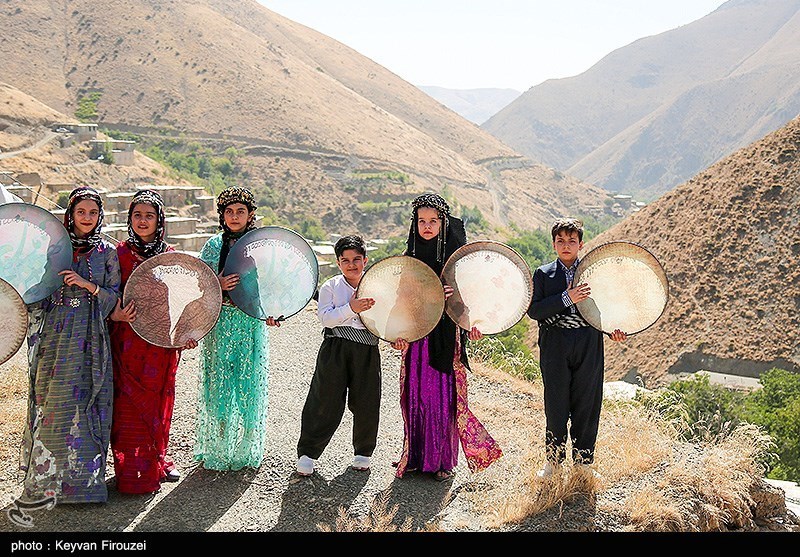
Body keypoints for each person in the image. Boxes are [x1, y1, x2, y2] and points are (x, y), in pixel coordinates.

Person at [20, 186, 121, 504]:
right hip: (55, 336)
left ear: (100, 215)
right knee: (52, 402)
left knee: (87, 405)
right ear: (71, 214)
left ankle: (84, 486)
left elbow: (114, 295)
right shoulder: (54, 247)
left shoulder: (107, 251)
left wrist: (87, 285)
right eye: (81, 212)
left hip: (89, 338)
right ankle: (49, 484)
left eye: (93, 212)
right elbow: (35, 286)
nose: (87, 218)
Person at [391, 193, 502, 482]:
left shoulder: (456, 263)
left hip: (444, 338)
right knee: (415, 396)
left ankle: (442, 462)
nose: (427, 226)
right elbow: (401, 299)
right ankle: (414, 457)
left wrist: (471, 323)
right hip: (417, 337)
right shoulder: (410, 258)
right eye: (421, 221)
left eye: (433, 221)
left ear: (443, 224)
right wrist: (396, 332)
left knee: (440, 397)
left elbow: (469, 300)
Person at [109, 190, 198, 494]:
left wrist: (187, 333)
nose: (143, 221)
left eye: (149, 215)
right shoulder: (117, 254)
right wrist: (115, 314)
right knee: (127, 404)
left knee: (158, 402)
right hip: (126, 342)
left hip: (160, 344)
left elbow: (183, 299)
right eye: (137, 215)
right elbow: (109, 295)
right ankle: (130, 469)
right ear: (129, 219)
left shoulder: (170, 256)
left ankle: (157, 460)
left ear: (159, 220)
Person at [526, 218, 627, 478]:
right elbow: (535, 310)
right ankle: (553, 463)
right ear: (553, 244)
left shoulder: (593, 273)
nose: (566, 245)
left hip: (589, 341)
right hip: (555, 344)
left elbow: (610, 305)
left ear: (581, 244)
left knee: (587, 402)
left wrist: (615, 328)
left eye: (572, 241)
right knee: (556, 403)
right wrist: (566, 298)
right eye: (561, 240)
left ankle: (583, 463)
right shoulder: (543, 274)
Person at [194, 186, 280, 471]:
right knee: (218, 386)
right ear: (221, 215)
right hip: (220, 324)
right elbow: (198, 286)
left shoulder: (262, 247)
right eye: (228, 212)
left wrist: (272, 312)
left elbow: (272, 286)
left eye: (240, 211)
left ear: (251, 214)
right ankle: (218, 447)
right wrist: (215, 285)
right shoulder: (212, 247)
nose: (234, 216)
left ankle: (245, 450)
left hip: (249, 323)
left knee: (248, 386)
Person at [296, 235, 383, 476]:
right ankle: (308, 453)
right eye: (345, 260)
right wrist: (351, 309)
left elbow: (386, 319)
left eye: (357, 259)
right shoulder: (330, 287)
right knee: (324, 398)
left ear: (365, 260)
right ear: (338, 263)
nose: (351, 265)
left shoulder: (377, 287)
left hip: (367, 350)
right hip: (335, 348)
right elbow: (326, 318)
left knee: (367, 400)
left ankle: (363, 452)